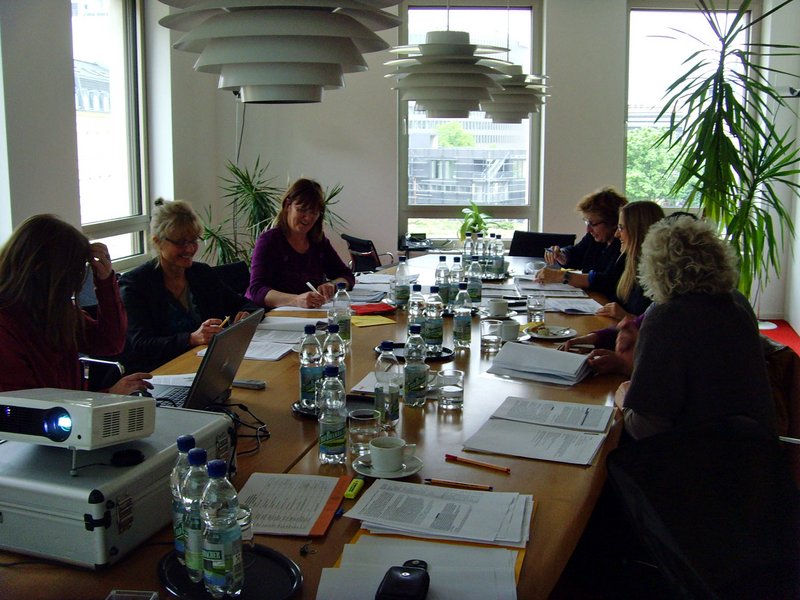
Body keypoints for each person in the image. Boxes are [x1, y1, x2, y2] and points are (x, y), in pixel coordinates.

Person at [615, 216, 776, 440]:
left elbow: (645, 429)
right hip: (753, 450)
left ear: (654, 269)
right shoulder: (737, 310)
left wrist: (623, 395)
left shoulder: (665, 319)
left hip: (693, 455)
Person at [0, 214, 151, 394]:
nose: (75, 285)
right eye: (74, 273)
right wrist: (109, 396)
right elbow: (30, 406)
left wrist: (105, 282)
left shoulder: (53, 310)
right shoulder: (7, 327)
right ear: (42, 271)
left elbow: (110, 342)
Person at [120, 199, 260, 373]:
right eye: (180, 242)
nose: (189, 249)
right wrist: (191, 338)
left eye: (193, 240)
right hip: (161, 372)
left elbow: (246, 304)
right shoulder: (135, 284)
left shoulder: (202, 274)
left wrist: (246, 315)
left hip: (205, 365)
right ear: (158, 242)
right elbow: (140, 345)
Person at [247, 178, 355, 309]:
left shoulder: (318, 241)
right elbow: (257, 290)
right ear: (288, 206)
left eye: (314, 212)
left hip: (308, 313)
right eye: (302, 209)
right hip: (274, 315)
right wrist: (296, 300)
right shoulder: (269, 241)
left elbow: (346, 275)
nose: (308, 218)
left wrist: (332, 285)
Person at [537, 187, 628, 293]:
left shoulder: (623, 246)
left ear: (613, 223)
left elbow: (606, 281)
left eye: (593, 224)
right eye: (587, 222)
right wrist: (562, 255)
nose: (588, 230)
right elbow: (576, 253)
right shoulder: (593, 238)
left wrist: (562, 276)